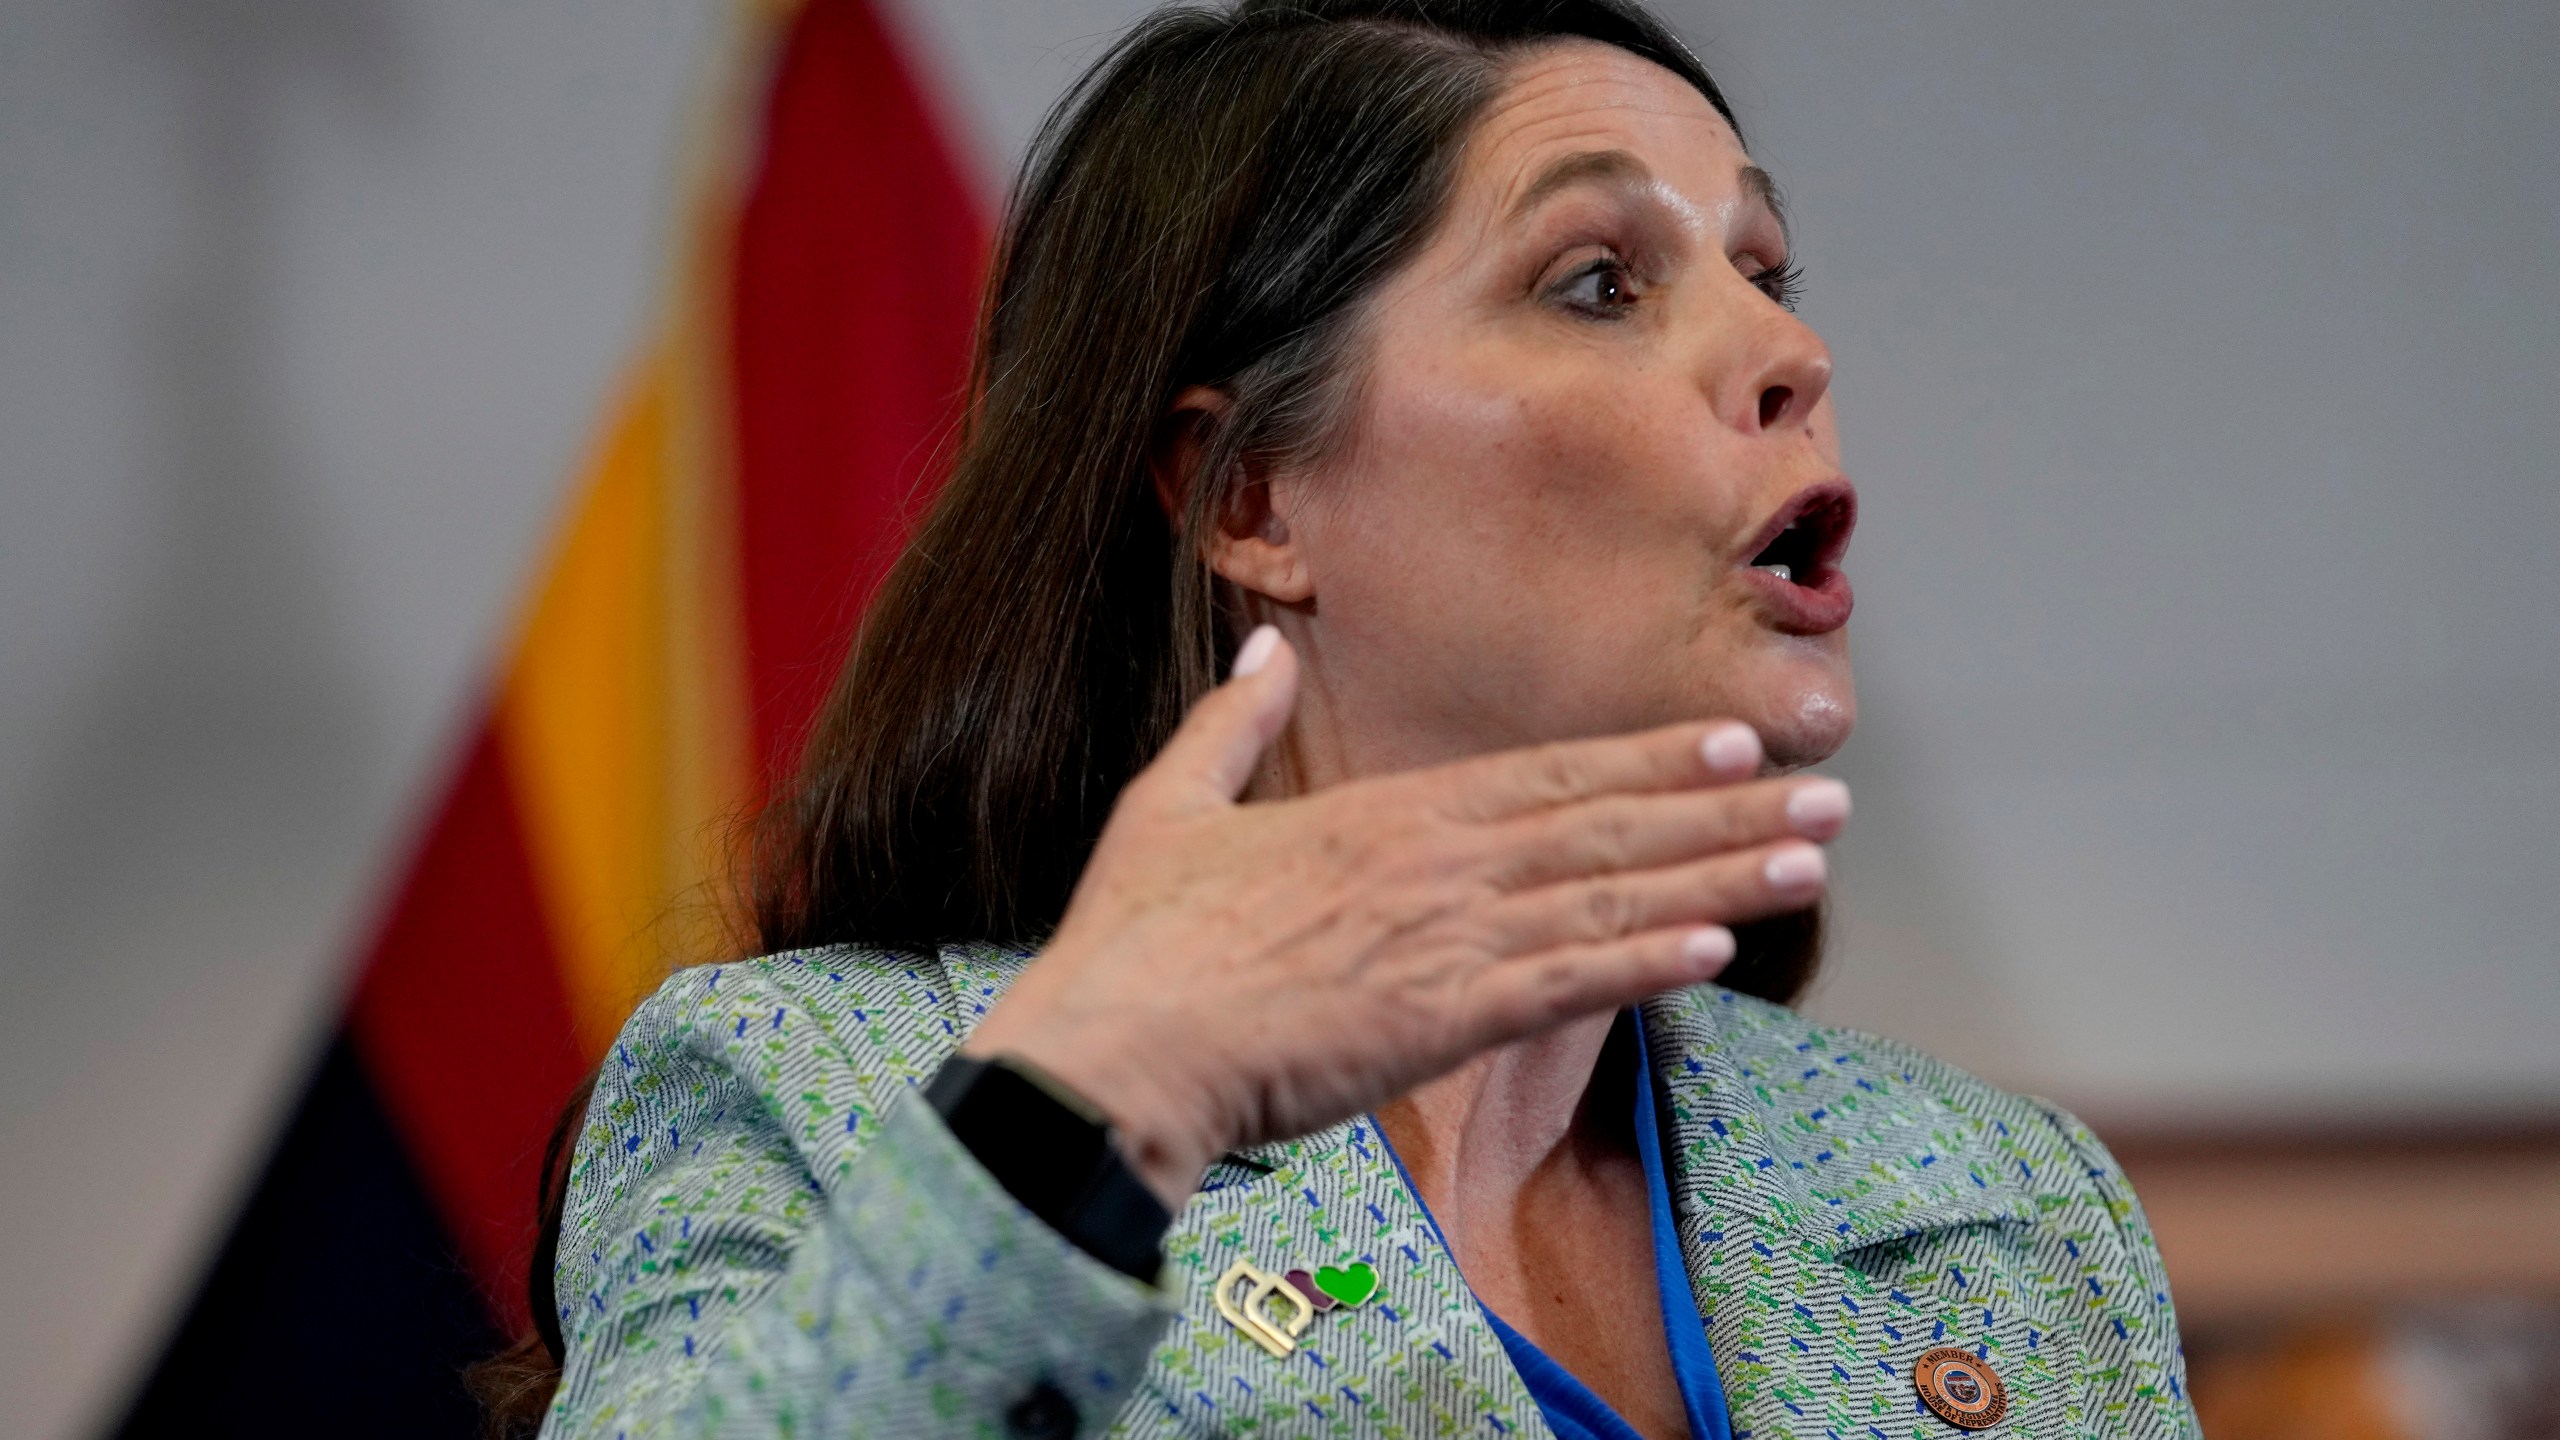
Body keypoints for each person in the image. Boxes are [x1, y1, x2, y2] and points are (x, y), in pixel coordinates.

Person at [506, 2, 2201, 1436]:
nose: (1789, 348)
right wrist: (1087, 1109)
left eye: (1763, 266)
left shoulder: (1993, 1204)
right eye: (1601, 281)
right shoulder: (821, 1097)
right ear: (1252, 497)